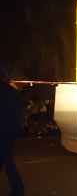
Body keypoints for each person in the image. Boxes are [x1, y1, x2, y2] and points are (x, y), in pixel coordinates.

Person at [0, 66, 25, 195]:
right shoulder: (13, 91)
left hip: (2, 128)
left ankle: (18, 189)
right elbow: (21, 108)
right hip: (13, 128)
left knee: (7, 159)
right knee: (4, 155)